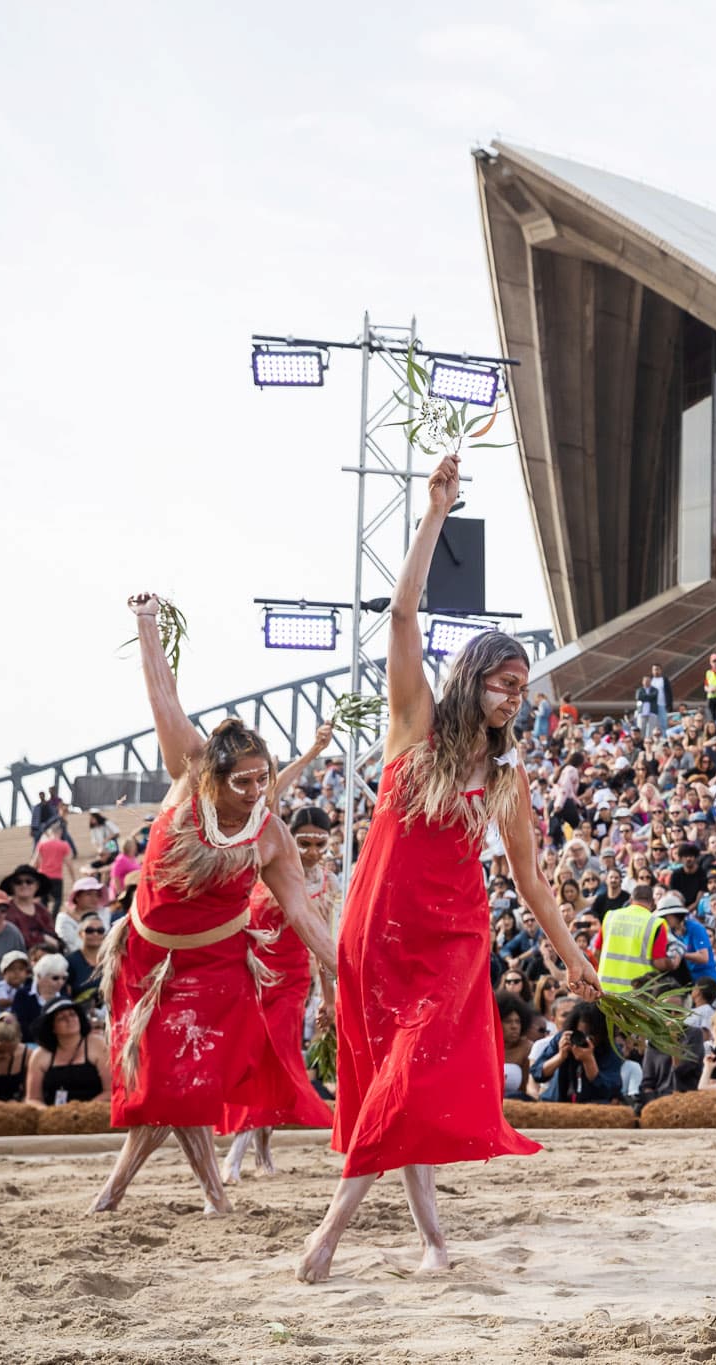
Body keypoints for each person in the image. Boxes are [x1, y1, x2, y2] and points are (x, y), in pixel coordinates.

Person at [299, 455, 599, 1284]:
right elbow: (401, 613)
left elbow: (533, 882)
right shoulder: (415, 725)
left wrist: (573, 955)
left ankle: (329, 1233)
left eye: (523, 689)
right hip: (379, 932)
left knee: (414, 1072)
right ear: (476, 676)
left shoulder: (508, 779)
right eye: (506, 683)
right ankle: (434, 1241)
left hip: (452, 943)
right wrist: (437, 514)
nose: (514, 699)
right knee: (397, 1085)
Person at [92, 594, 338, 1219]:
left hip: (219, 969)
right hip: (146, 958)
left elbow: (306, 919)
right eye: (246, 781)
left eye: (265, 779)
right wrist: (147, 625)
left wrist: (348, 972)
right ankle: (209, 1196)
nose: (259, 791)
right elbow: (164, 699)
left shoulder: (271, 834)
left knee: (182, 1084)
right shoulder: (188, 771)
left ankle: (130, 1194)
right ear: (215, 776)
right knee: (163, 1085)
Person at [220, 807, 339, 1183]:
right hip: (252, 976)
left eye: (320, 843)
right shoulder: (266, 867)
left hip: (291, 983)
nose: (312, 851)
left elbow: (322, 942)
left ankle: (241, 1154)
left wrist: (329, 998)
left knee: (276, 1061)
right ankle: (259, 1150)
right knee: (252, 1063)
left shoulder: (327, 883)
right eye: (304, 842)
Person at [26, 997, 108, 1106]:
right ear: (52, 1027)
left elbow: (110, 1091)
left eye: (72, 1014)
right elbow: (33, 1098)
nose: (69, 1019)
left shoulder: (98, 1044)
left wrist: (81, 1111)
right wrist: (50, 1114)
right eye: (61, 1018)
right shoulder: (39, 1055)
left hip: (94, 1114)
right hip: (53, 1116)